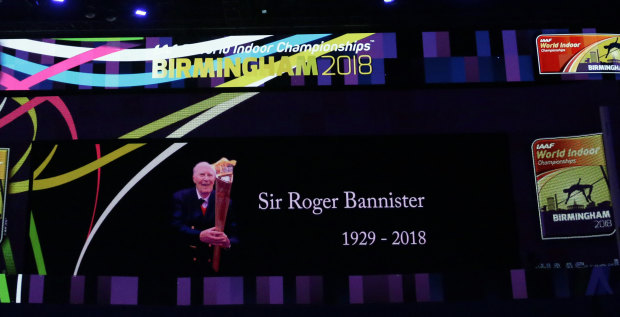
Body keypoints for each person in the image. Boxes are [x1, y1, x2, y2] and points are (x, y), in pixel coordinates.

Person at [171, 161, 233, 274]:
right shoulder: (180, 197)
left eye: (209, 175)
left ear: (214, 179)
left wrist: (227, 243)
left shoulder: (226, 201)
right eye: (202, 174)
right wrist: (199, 235)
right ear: (194, 178)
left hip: (216, 268)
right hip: (185, 265)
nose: (206, 179)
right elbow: (174, 227)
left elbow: (237, 234)